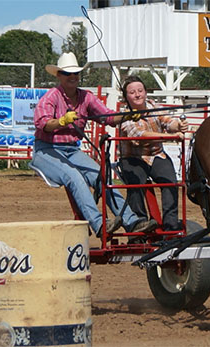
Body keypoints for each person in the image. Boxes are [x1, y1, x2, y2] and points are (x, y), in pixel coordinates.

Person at [31, 52, 158, 237]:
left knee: (101, 177)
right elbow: (43, 124)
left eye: (75, 73)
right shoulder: (50, 97)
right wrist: (62, 121)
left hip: (72, 149)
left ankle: (132, 222)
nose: (72, 77)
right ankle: (99, 224)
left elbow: (106, 116)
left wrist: (126, 116)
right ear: (59, 76)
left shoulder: (86, 97)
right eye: (68, 73)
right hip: (47, 150)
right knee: (74, 177)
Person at [118, 75, 188, 232]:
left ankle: (170, 226)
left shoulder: (153, 107)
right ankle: (139, 225)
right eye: (132, 92)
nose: (137, 95)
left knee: (170, 182)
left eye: (140, 91)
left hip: (156, 154)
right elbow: (139, 135)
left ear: (145, 92)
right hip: (133, 158)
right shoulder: (123, 116)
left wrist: (178, 126)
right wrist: (170, 136)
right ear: (126, 97)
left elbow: (168, 122)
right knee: (136, 184)